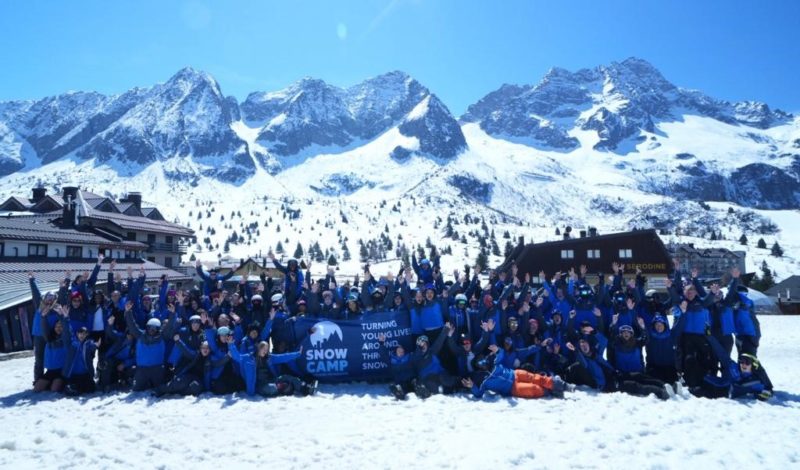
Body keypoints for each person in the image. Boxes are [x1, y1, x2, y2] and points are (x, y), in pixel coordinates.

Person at [462, 344, 571, 399]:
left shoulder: (494, 363)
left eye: (483, 360)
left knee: (537, 378)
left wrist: (497, 350)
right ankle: (551, 391)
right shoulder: (485, 382)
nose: (483, 363)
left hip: (515, 374)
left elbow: (501, 354)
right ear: (478, 367)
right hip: (512, 388)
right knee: (533, 389)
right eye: (479, 363)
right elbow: (479, 394)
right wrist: (472, 386)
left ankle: (562, 385)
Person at [692, 336, 774, 401]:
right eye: (741, 361)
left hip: (723, 396)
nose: (743, 364)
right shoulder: (732, 366)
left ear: (753, 365)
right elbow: (720, 351)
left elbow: (766, 389)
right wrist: (709, 336)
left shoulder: (754, 381)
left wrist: (764, 395)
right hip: (709, 385)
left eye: (747, 362)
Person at [124, 300, 179, 391]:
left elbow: (169, 327)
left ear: (158, 329)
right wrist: (128, 312)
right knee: (137, 389)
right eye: (150, 327)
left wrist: (172, 314)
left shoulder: (162, 336)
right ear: (147, 327)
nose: (151, 330)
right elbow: (132, 325)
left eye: (154, 328)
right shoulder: (140, 335)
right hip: (142, 369)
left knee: (160, 388)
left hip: (157, 369)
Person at [230, 339, 314, 397]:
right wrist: (231, 344)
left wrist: (297, 354)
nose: (265, 351)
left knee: (287, 377)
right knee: (271, 388)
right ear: (258, 348)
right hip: (259, 385)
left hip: (271, 380)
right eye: (263, 348)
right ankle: (284, 388)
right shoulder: (248, 358)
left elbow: (283, 357)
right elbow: (237, 356)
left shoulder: (269, 357)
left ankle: (305, 388)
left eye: (267, 349)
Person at [411, 324, 456, 397]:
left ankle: (456, 384)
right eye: (421, 344)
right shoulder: (415, 356)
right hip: (427, 379)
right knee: (431, 385)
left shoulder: (432, 352)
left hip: (440, 374)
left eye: (425, 344)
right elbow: (415, 361)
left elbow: (439, 341)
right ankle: (438, 390)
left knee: (446, 380)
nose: (424, 346)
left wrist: (445, 329)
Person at [33, 304, 68, 393]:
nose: (58, 328)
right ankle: (51, 383)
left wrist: (63, 316)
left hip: (61, 371)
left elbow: (67, 328)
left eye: (60, 327)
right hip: (50, 371)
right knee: (37, 389)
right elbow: (44, 329)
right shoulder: (49, 339)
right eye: (56, 327)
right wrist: (43, 317)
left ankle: (59, 383)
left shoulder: (65, 338)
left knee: (54, 390)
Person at [62, 324, 100, 396]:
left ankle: (78, 388)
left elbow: (92, 345)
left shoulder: (88, 344)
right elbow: (66, 333)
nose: (82, 335)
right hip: (73, 375)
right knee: (71, 389)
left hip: (84, 374)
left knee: (91, 389)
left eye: (84, 333)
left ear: (87, 335)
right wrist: (65, 318)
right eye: (80, 333)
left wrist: (95, 345)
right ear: (77, 334)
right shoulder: (72, 344)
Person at [377, 332, 415, 400]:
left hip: (410, 380)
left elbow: (418, 356)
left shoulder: (409, 357)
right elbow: (383, 355)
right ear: (396, 351)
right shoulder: (392, 360)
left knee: (415, 384)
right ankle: (398, 392)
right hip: (400, 382)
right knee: (401, 389)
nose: (400, 352)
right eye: (399, 350)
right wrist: (381, 343)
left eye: (402, 350)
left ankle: (420, 390)